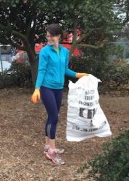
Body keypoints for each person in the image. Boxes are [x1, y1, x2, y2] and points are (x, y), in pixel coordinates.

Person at [31, 24, 88, 165]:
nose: (48, 38)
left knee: (52, 116)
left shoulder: (64, 52)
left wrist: (78, 75)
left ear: (58, 36)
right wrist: (37, 88)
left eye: (51, 35)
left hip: (58, 88)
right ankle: (52, 151)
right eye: (47, 35)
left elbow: (65, 70)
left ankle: (47, 145)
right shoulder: (45, 52)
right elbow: (41, 71)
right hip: (46, 88)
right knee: (54, 117)